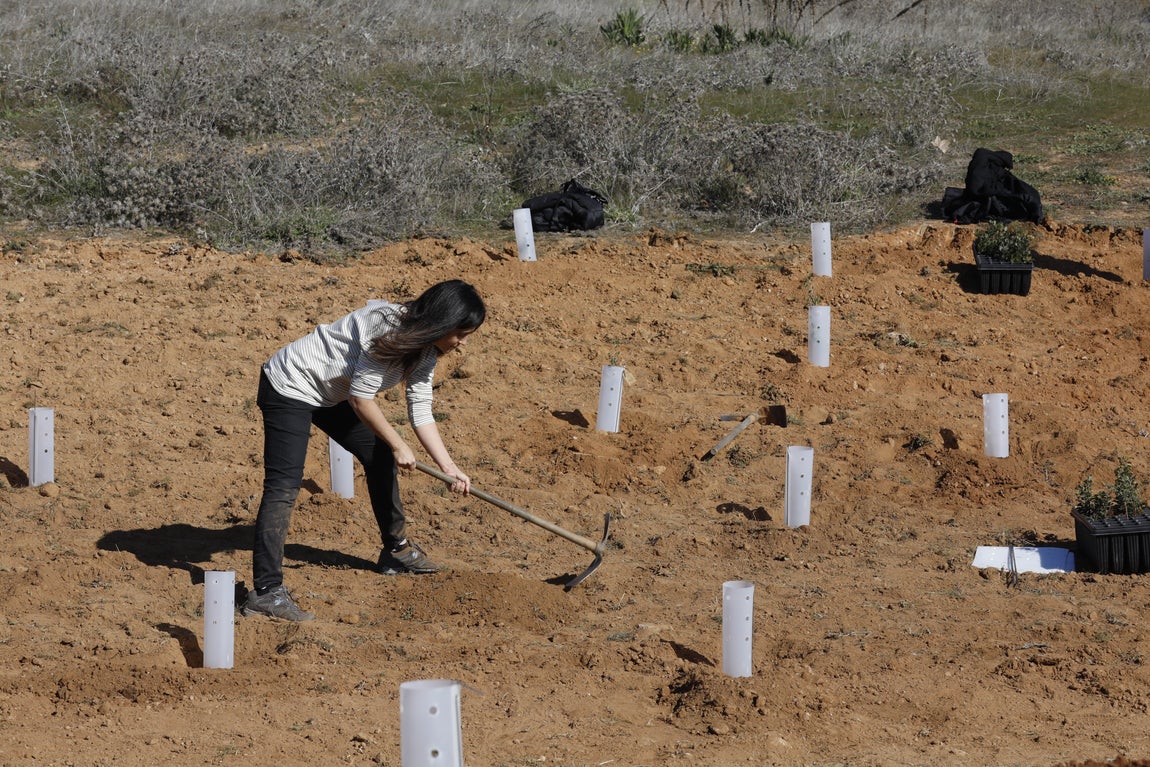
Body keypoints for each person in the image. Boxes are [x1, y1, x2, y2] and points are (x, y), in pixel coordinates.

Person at [241, 280, 486, 621]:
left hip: (331, 394)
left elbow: (420, 405)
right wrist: (399, 444)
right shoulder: (385, 327)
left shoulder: (428, 347)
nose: (460, 343)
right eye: (460, 333)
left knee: (380, 454)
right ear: (442, 321)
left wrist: (448, 466)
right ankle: (266, 592)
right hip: (291, 385)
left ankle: (396, 551)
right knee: (284, 485)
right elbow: (360, 398)